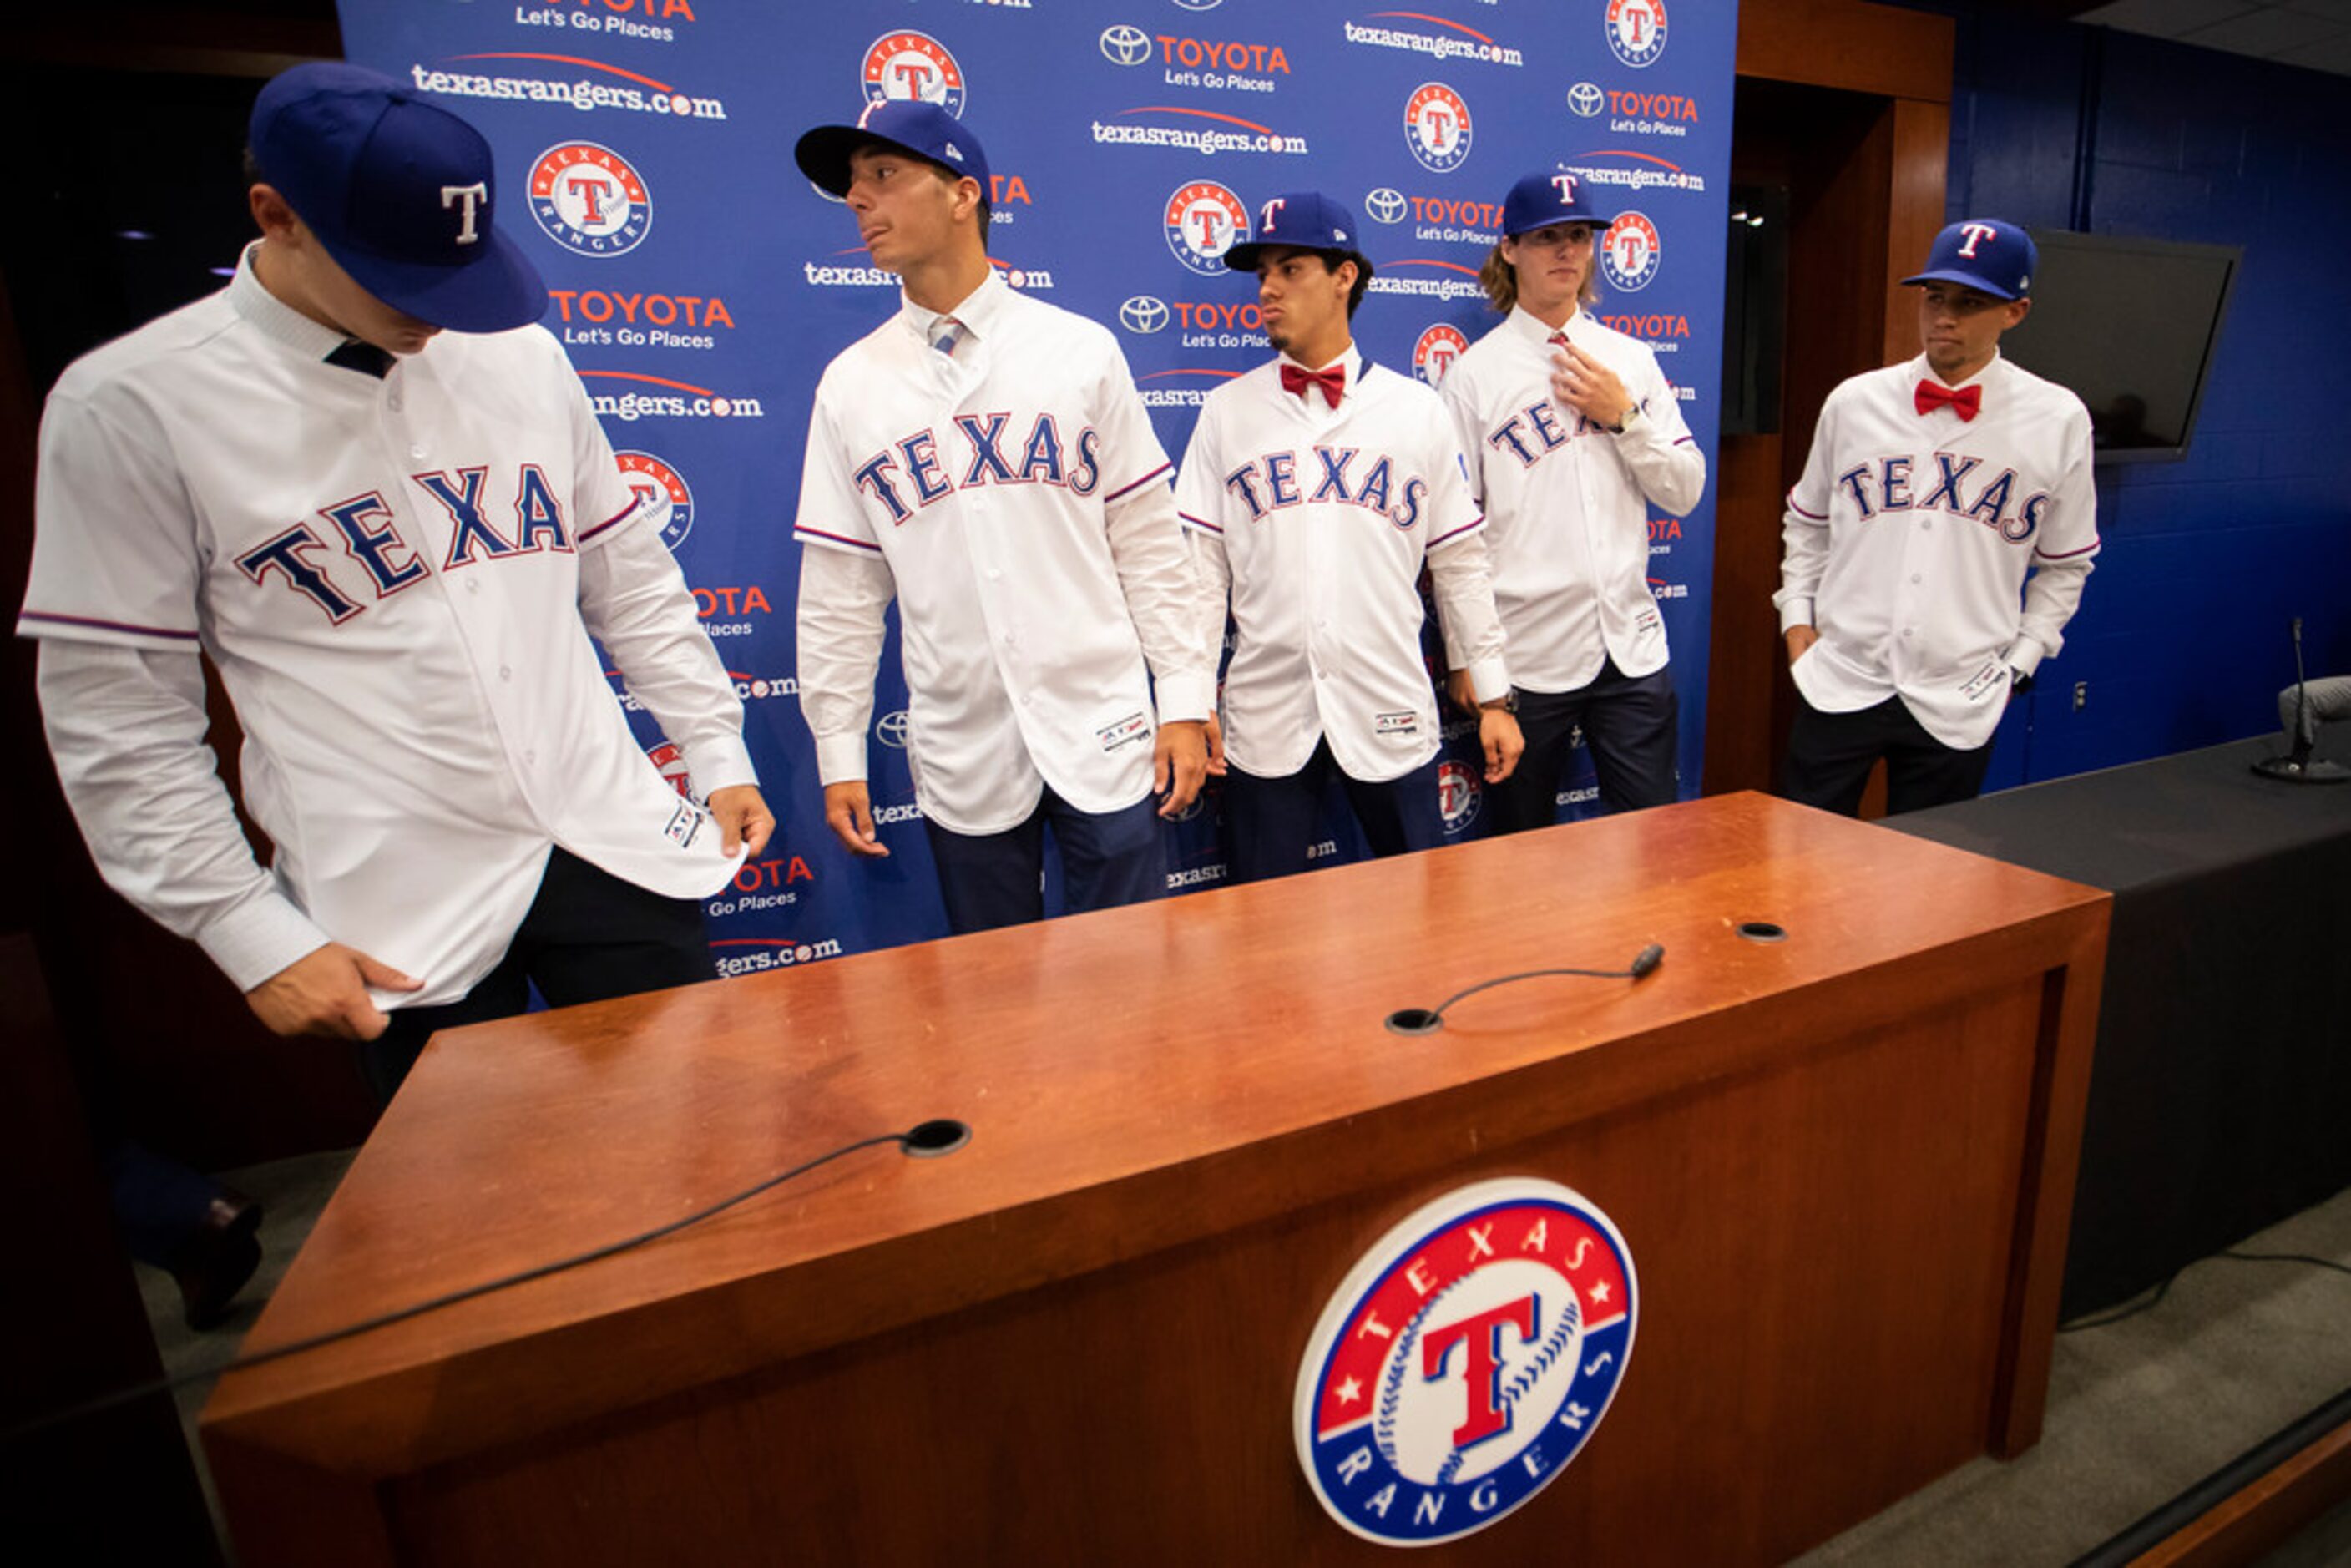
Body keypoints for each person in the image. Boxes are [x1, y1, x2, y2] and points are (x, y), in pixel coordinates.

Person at [18, 63, 771, 1102]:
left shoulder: (516, 357)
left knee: (717, 1150)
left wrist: (712, 744)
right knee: (478, 1233)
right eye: (396, 276)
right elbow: (120, 721)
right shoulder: (130, 406)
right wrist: (245, 930)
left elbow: (629, 579)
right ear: (275, 215)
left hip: (609, 840)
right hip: (401, 901)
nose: (436, 312)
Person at [791, 103, 1213, 933]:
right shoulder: (850, 383)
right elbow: (840, 590)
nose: (858, 201)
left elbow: (1149, 546)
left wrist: (1186, 700)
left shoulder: (1078, 350)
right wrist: (837, 748)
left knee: (1130, 985)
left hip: (1103, 720)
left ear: (963, 196)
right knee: (995, 1001)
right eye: (851, 185)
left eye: (883, 176)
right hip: (963, 740)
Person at [1176, 190, 1521, 883]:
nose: (1268, 288)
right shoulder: (1226, 411)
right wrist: (1187, 701)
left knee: (1418, 919)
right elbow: (1199, 572)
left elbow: (1458, 562)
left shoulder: (1417, 410)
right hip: (1268, 710)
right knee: (1261, 933)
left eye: (1291, 268)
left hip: (1388, 701)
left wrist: (1493, 696)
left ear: (1345, 277)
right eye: (1262, 272)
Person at [1775, 218, 2099, 816]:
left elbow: (2067, 564)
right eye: (1935, 297)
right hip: (1841, 679)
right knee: (1800, 856)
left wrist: (2022, 662)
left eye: (1969, 302)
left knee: (1929, 878)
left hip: (1960, 696)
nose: (1944, 316)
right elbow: (1808, 522)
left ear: (2016, 312)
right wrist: (1797, 618)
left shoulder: (2058, 419)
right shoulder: (1855, 402)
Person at [1439, 172, 1705, 827]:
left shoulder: (1631, 360)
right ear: (1510, 250)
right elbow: (1453, 538)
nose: (1566, 251)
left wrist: (1627, 420)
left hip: (1631, 646)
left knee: (1651, 836)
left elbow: (1685, 490)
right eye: (1547, 237)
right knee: (1519, 854)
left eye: (1579, 236)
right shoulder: (1474, 376)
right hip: (1526, 654)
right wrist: (1468, 657)